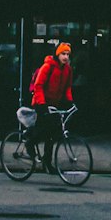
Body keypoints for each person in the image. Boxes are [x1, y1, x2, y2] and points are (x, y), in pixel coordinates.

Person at [29, 42, 73, 170]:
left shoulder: (67, 70)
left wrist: (70, 101)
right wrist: (42, 104)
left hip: (54, 104)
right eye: (63, 54)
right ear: (57, 54)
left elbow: (67, 87)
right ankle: (29, 143)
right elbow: (38, 86)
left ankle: (47, 163)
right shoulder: (48, 67)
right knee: (43, 130)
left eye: (67, 54)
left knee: (52, 135)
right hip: (41, 102)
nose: (65, 57)